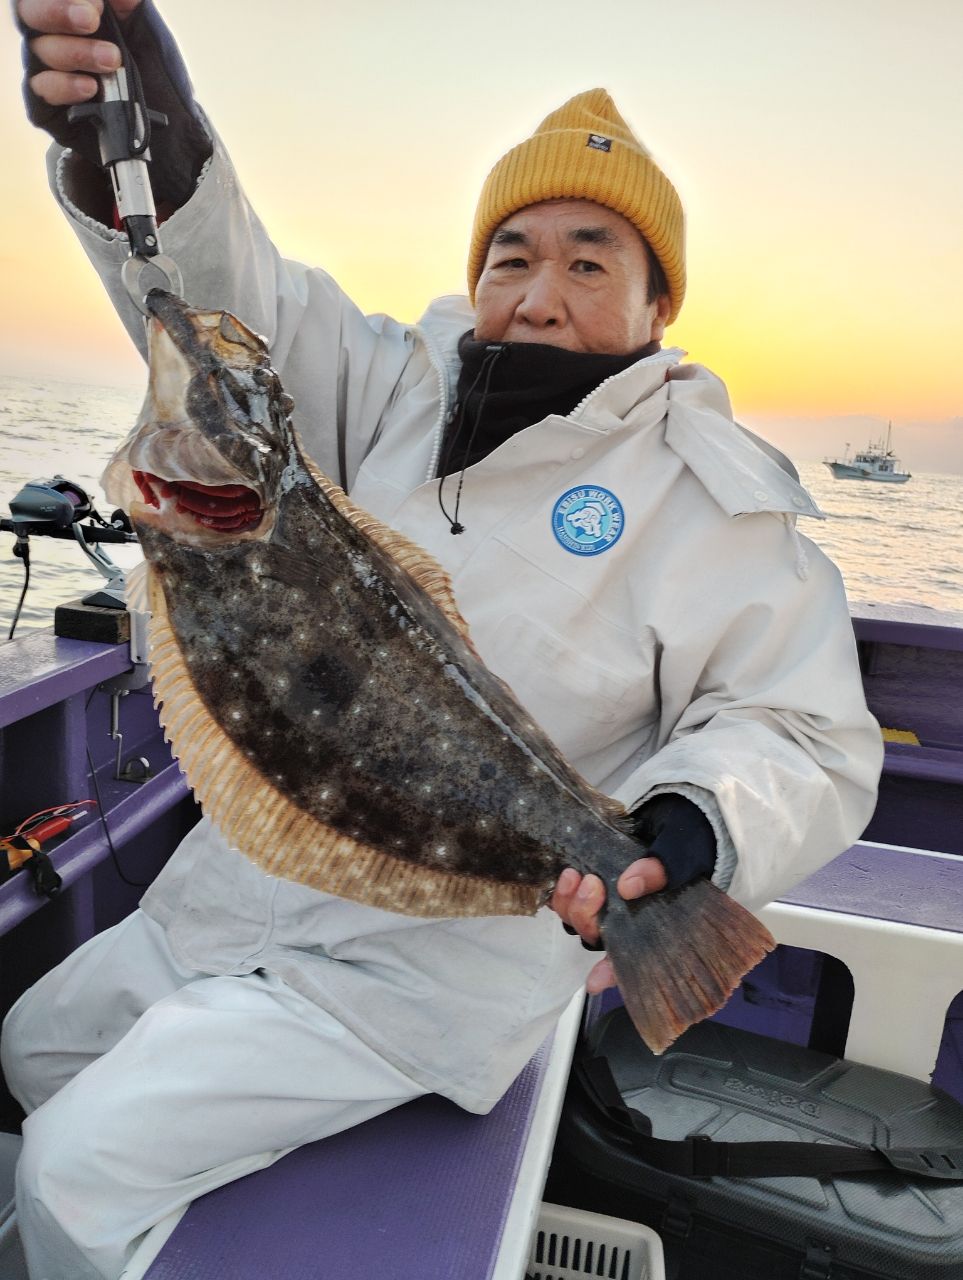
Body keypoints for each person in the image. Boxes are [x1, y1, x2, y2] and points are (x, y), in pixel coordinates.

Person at [5, 3, 883, 1277]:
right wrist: (145, 137)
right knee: (36, 1047)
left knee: (71, 1166)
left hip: (427, 971)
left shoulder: (714, 501)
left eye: (592, 261)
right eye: (512, 253)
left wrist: (688, 824)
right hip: (244, 894)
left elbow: (800, 729)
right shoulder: (392, 382)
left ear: (657, 301)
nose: (539, 292)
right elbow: (225, 303)